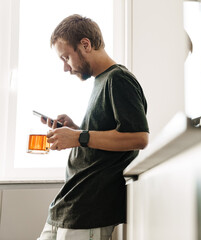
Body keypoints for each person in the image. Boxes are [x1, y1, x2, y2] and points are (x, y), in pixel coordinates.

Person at [37, 14, 149, 240]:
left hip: (87, 211)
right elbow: (101, 139)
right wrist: (76, 129)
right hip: (67, 207)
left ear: (85, 45)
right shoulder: (101, 81)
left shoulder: (118, 79)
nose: (66, 68)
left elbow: (139, 137)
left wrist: (79, 137)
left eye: (66, 57)